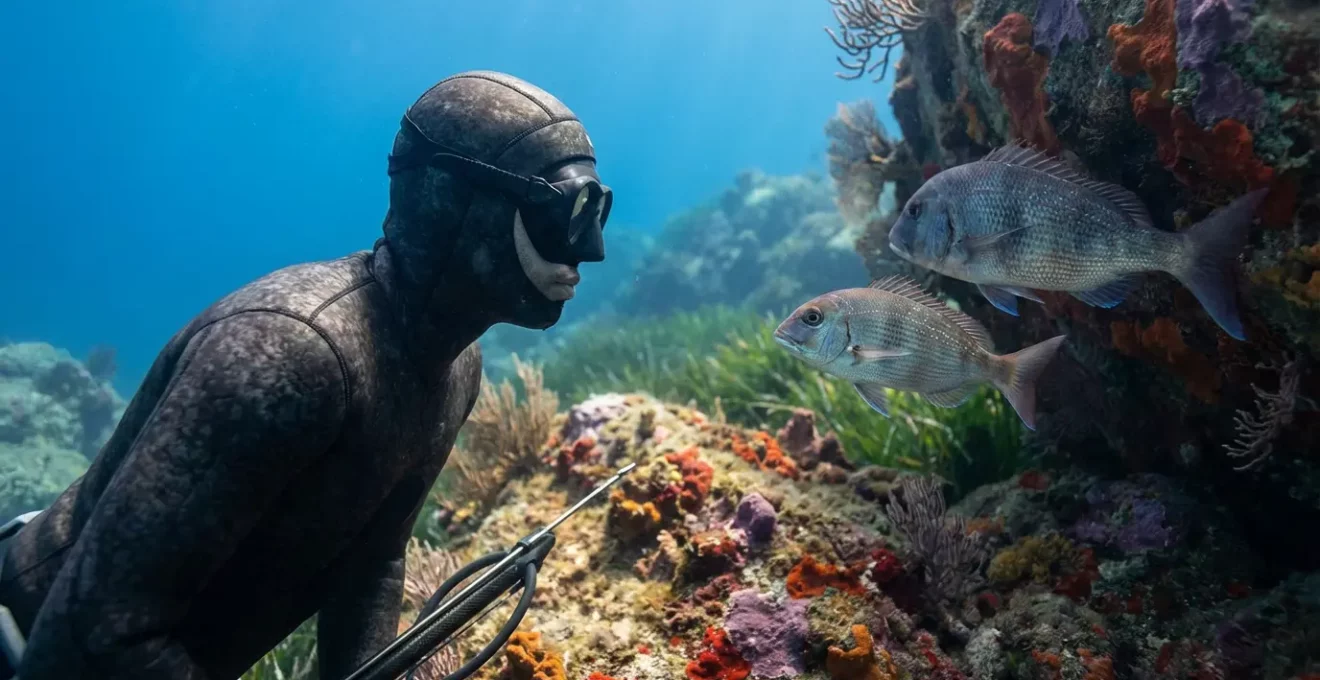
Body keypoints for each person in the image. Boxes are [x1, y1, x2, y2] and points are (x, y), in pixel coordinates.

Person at [0, 70, 610, 680]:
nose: (590, 248)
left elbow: (373, 561)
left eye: (596, 209)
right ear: (454, 201)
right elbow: (92, 633)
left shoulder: (455, 369)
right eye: (564, 210)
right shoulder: (293, 351)